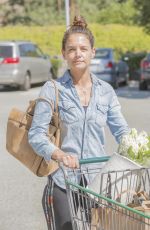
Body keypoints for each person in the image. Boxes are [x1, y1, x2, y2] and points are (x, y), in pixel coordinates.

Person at [28, 15, 130, 230]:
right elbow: (36, 134)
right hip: (64, 179)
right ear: (64, 53)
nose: (78, 54)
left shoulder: (106, 91)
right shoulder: (52, 88)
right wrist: (60, 155)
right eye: (72, 49)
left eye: (83, 49)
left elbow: (121, 130)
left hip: (97, 181)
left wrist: (136, 149)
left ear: (93, 52)